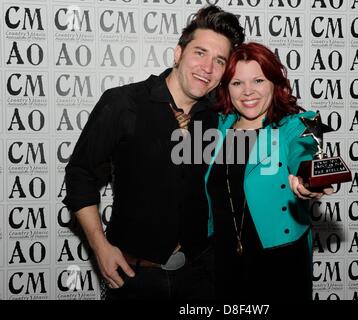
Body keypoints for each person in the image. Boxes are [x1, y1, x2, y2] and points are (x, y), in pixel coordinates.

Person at [62, 5, 244, 300]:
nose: (208, 68)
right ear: (178, 53)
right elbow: (80, 173)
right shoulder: (123, 103)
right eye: (200, 53)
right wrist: (99, 246)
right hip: (135, 279)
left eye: (219, 61)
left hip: (201, 278)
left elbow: (255, 159)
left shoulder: (218, 119)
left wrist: (301, 178)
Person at [205, 42, 334, 300]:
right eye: (237, 83)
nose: (248, 92)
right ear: (226, 88)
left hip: (279, 263)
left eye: (258, 80)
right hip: (222, 261)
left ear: (274, 83)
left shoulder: (292, 126)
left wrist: (308, 181)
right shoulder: (217, 128)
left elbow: (303, 154)